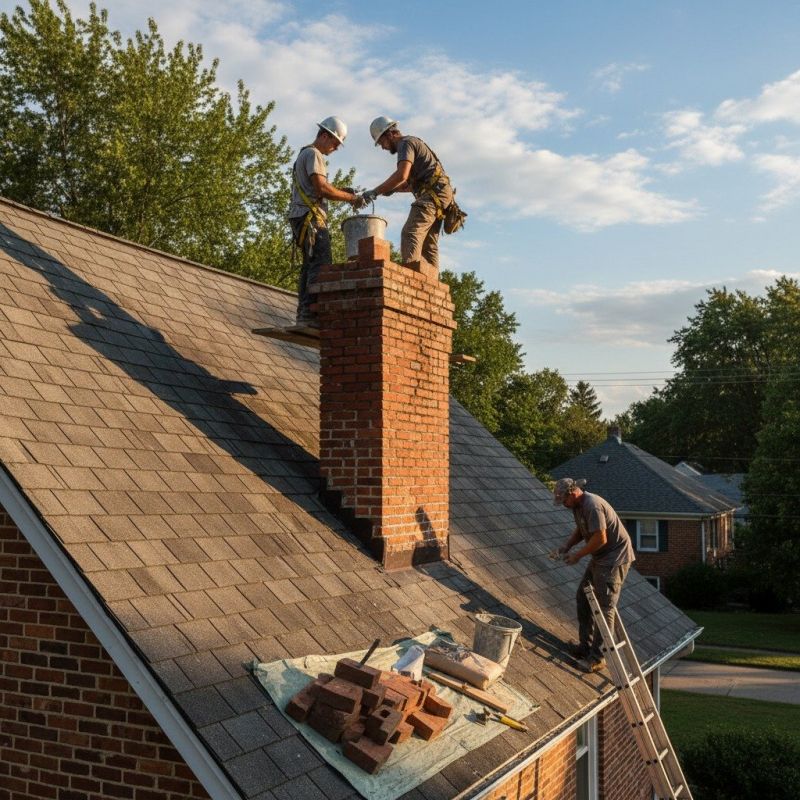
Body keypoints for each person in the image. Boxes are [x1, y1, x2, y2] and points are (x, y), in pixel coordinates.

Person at [553, 477, 635, 673]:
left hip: (614, 559)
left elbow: (600, 538)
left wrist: (578, 556)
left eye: (563, 500)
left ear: (572, 494)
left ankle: (597, 658)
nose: (563, 505)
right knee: (583, 596)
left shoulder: (593, 505)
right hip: (600, 557)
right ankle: (585, 647)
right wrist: (567, 546)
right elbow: (583, 530)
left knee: (605, 607)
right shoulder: (577, 506)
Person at [288, 116, 360, 328]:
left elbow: (318, 188)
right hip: (311, 220)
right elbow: (321, 188)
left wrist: (342, 192)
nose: (336, 148)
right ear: (325, 135)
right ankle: (311, 315)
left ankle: (304, 314)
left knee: (309, 265)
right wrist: (352, 198)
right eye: (335, 143)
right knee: (321, 265)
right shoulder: (314, 154)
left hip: (301, 217)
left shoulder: (305, 153)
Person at [358, 116, 454, 269]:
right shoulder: (412, 142)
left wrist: (375, 192)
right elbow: (410, 184)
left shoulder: (405, 143)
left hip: (434, 194)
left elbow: (401, 175)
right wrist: (392, 189)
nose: (383, 147)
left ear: (389, 134)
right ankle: (433, 289)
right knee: (428, 245)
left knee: (410, 233)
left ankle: (411, 282)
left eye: (381, 142)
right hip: (439, 193)